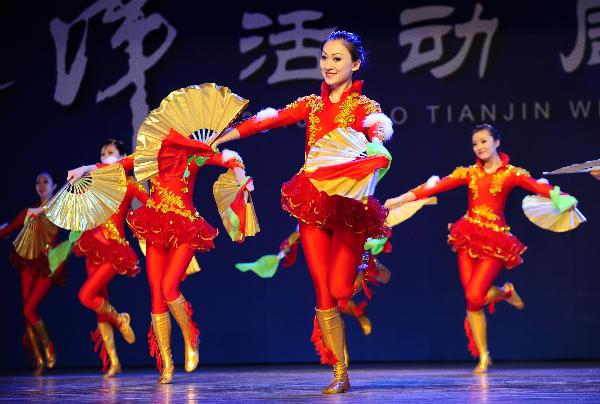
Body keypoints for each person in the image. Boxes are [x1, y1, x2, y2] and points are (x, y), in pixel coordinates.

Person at [213, 31, 393, 393]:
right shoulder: (312, 103)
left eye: (337, 58)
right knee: (323, 294)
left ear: (355, 64)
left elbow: (378, 129)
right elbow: (271, 118)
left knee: (342, 289)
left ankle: (364, 265)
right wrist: (225, 136)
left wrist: (376, 144)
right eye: (325, 57)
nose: (328, 64)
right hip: (312, 203)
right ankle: (340, 373)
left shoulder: (363, 106)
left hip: (348, 207)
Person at [384, 123, 577, 373]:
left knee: (475, 295)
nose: (479, 147)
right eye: (475, 143)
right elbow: (432, 188)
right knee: (472, 301)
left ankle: (504, 294)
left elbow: (540, 187)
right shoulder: (469, 173)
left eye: (484, 141)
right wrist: (398, 200)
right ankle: (484, 355)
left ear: (497, 142)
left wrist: (564, 199)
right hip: (467, 237)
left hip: (496, 242)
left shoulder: (511, 174)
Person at [71, 139, 148, 377]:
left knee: (85, 295)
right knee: (97, 304)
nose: (105, 156)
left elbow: (152, 205)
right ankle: (114, 361)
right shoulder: (93, 182)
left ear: (122, 156)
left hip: (114, 249)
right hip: (91, 245)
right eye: (103, 153)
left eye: (111, 152)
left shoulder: (130, 185)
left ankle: (120, 318)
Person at [0, 172, 65, 375]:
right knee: (26, 311)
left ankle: (48, 347)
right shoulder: (29, 211)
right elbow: (8, 229)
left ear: (55, 185)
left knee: (29, 309)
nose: (41, 185)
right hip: (28, 263)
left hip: (47, 265)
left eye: (46, 181)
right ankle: (38, 360)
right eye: (38, 182)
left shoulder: (60, 208)